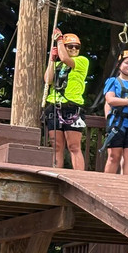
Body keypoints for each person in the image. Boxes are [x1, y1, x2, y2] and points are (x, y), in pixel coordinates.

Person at [43, 28, 88, 170]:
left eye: (77, 47)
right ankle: (56, 174)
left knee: (74, 146)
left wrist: (60, 40)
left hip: (72, 106)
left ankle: (79, 178)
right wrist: (52, 59)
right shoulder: (58, 65)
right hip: (55, 105)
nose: (74, 49)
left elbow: (65, 58)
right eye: (70, 46)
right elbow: (48, 80)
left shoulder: (81, 61)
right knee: (56, 146)